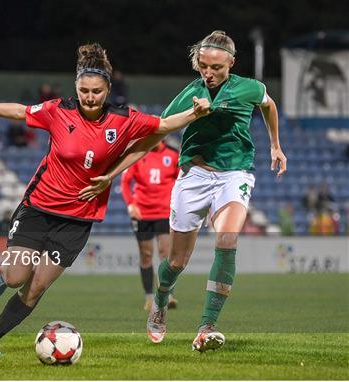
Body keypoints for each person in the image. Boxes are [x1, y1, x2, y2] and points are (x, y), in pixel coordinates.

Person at [0, 42, 210, 355]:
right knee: (16, 276)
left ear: (107, 89)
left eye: (97, 91)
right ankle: (4, 275)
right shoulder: (58, 111)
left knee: (36, 288)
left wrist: (194, 113)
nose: (90, 97)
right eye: (84, 90)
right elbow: (19, 112)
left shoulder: (123, 119)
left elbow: (164, 124)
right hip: (38, 209)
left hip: (78, 220)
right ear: (77, 87)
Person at [79, 31, 287, 352]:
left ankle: (207, 326)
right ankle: (160, 303)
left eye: (216, 67)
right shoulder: (189, 95)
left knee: (227, 239)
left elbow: (269, 104)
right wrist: (112, 173)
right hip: (193, 176)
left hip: (235, 173)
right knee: (176, 261)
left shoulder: (250, 88)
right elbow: (153, 136)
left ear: (231, 63)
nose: (209, 73)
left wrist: (275, 145)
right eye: (203, 66)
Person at [120, 139, 179, 311]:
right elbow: (125, 182)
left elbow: (181, 182)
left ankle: (167, 295)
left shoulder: (173, 155)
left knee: (166, 253)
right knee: (146, 255)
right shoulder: (137, 155)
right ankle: (148, 297)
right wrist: (131, 204)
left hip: (164, 212)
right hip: (142, 213)